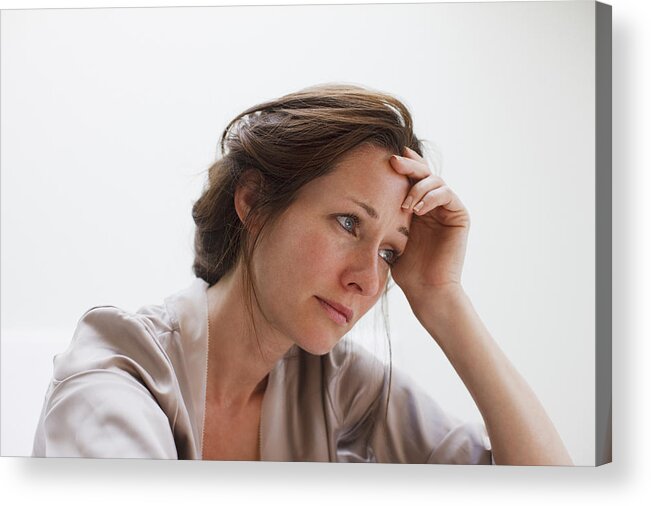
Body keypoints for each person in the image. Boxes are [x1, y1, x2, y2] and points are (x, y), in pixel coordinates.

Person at [32, 84, 572, 464]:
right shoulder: (119, 368)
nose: (368, 278)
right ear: (254, 202)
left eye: (389, 253)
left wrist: (441, 297)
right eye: (348, 222)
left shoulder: (341, 383)